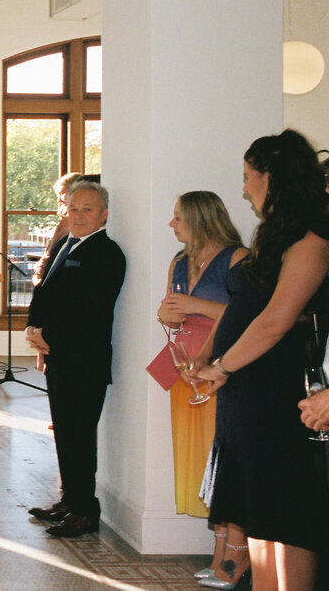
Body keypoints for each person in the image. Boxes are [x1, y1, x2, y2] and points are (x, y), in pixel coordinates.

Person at [193, 129, 329, 590]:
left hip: (276, 389)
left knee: (284, 512)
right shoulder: (273, 234)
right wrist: (211, 356)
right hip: (246, 390)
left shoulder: (312, 237)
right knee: (259, 512)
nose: (245, 187)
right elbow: (244, 308)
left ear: (273, 178)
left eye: (249, 177)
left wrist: (224, 366)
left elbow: (277, 319)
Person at [154, 191, 248, 585]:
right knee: (197, 460)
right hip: (185, 362)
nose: (172, 225)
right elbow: (172, 309)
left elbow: (250, 313)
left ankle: (235, 557)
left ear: (200, 219)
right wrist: (167, 312)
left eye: (178, 218)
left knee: (224, 456)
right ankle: (218, 553)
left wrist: (193, 305)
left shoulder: (238, 259)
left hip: (225, 364)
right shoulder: (180, 260)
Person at [25, 180, 125, 538]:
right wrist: (34, 327)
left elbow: (89, 310)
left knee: (80, 437)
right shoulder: (67, 244)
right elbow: (46, 294)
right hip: (60, 357)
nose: (78, 216)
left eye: (87, 210)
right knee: (65, 434)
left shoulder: (107, 253)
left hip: (84, 361)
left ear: (103, 214)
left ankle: (85, 512)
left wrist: (47, 335)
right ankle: (69, 502)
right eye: (73, 208)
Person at [32, 172, 83, 287]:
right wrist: (38, 274)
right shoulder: (63, 224)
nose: (59, 199)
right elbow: (47, 254)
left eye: (62, 193)